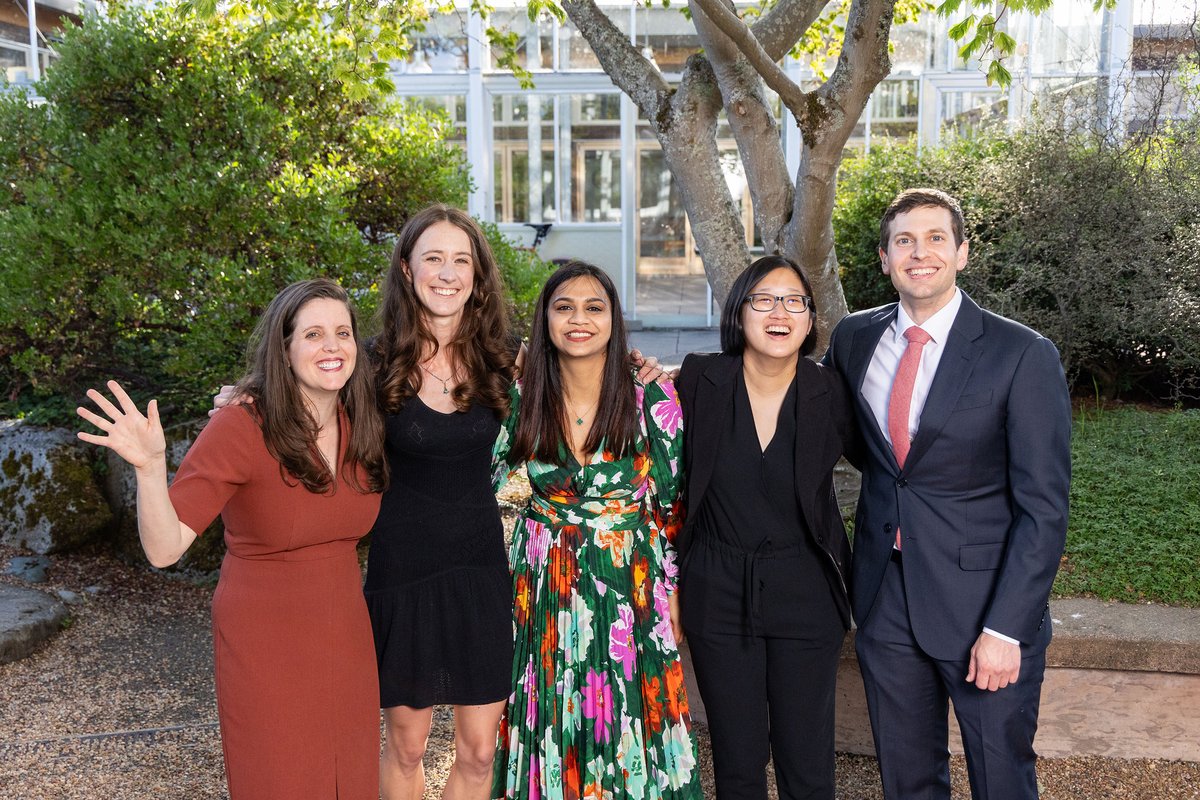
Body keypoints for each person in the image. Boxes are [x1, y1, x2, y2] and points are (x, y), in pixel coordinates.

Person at [76, 278, 387, 799]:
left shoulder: (366, 422)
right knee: (280, 778)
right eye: (313, 334)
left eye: (342, 333)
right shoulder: (242, 426)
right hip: (264, 634)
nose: (332, 347)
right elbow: (165, 547)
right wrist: (151, 469)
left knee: (351, 779)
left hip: (346, 629)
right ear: (284, 351)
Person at [823, 188, 1072, 800]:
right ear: (884, 258)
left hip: (983, 604)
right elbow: (845, 436)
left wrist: (1007, 629)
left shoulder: (1022, 354)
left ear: (962, 253)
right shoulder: (855, 339)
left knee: (1001, 775)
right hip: (886, 598)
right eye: (904, 241)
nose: (920, 253)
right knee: (906, 779)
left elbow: (1043, 507)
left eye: (936, 238)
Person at [491, 260, 703, 800]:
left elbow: (672, 505)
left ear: (614, 319)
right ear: (544, 320)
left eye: (594, 307)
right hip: (543, 583)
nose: (578, 319)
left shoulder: (650, 397)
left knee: (631, 709)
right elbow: (482, 479)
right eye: (563, 307)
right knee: (548, 711)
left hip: (631, 580)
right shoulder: (520, 396)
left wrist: (674, 589)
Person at [675, 255, 856, 800]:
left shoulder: (832, 391)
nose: (780, 311)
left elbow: (894, 465)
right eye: (764, 299)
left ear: (808, 319)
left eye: (794, 301)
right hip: (717, 586)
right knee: (737, 760)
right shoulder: (697, 379)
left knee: (807, 762)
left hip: (805, 587)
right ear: (740, 313)